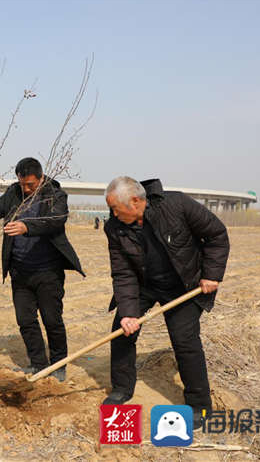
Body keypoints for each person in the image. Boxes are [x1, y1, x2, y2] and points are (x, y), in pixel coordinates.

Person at [102, 176, 229, 431]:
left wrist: (211, 274)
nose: (113, 215)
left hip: (184, 284)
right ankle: (122, 389)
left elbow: (216, 235)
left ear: (135, 201)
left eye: (116, 209)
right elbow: (123, 272)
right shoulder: (114, 228)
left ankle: (199, 405)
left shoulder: (177, 205)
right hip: (144, 284)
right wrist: (128, 313)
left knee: (184, 340)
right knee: (121, 330)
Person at [0, 158, 84, 381]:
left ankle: (59, 365)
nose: (26, 189)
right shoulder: (13, 194)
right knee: (25, 320)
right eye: (23, 184)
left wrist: (27, 226)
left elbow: (55, 221)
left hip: (48, 271)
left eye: (31, 185)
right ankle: (38, 364)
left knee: (52, 319)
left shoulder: (55, 196)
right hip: (20, 271)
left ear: (41, 178)